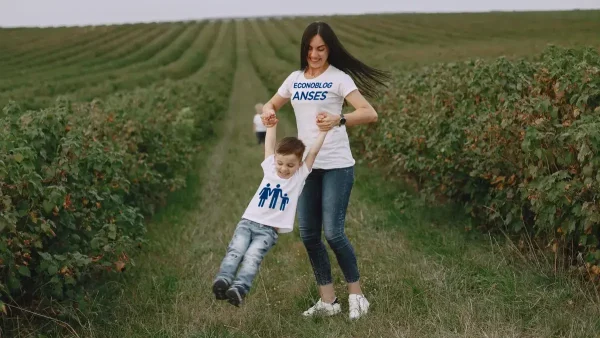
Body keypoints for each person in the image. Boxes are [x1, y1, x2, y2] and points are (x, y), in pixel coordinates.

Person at [261, 21, 390, 320]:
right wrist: (268, 111)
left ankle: (357, 295)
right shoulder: (294, 79)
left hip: (336, 165)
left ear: (329, 48)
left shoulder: (339, 78)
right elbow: (272, 104)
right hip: (305, 168)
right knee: (308, 234)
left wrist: (339, 119)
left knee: (333, 232)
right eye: (310, 48)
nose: (314, 54)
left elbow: (370, 113)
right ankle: (328, 301)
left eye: (320, 48)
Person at [212, 114, 329, 307]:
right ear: (275, 160)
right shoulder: (269, 169)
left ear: (299, 165)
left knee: (252, 257)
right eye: (280, 163)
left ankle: (239, 289)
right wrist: (272, 126)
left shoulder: (298, 178)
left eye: (290, 165)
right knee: (235, 251)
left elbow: (313, 153)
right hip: (248, 221)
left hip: (268, 230)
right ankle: (223, 280)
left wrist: (323, 132)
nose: (284, 169)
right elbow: (269, 145)